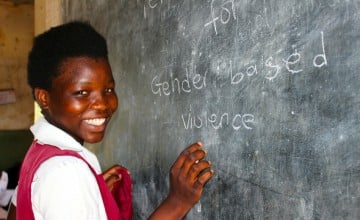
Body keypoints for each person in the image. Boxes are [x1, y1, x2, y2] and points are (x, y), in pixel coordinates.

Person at [9, 21, 214, 220]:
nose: (103, 104)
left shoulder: (40, 153)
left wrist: (91, 195)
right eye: (82, 92)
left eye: (108, 90)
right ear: (44, 98)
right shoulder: (66, 173)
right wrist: (177, 203)